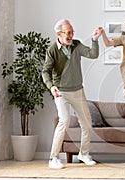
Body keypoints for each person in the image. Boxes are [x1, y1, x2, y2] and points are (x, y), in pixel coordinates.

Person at [42, 19, 102, 169]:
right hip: (61, 92)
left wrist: (94, 39)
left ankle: (84, 153)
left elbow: (92, 54)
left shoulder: (76, 44)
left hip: (78, 91)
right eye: (68, 33)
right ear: (59, 34)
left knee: (87, 124)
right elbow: (45, 71)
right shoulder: (52, 50)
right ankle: (53, 158)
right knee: (65, 121)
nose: (71, 35)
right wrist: (51, 87)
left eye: (72, 32)